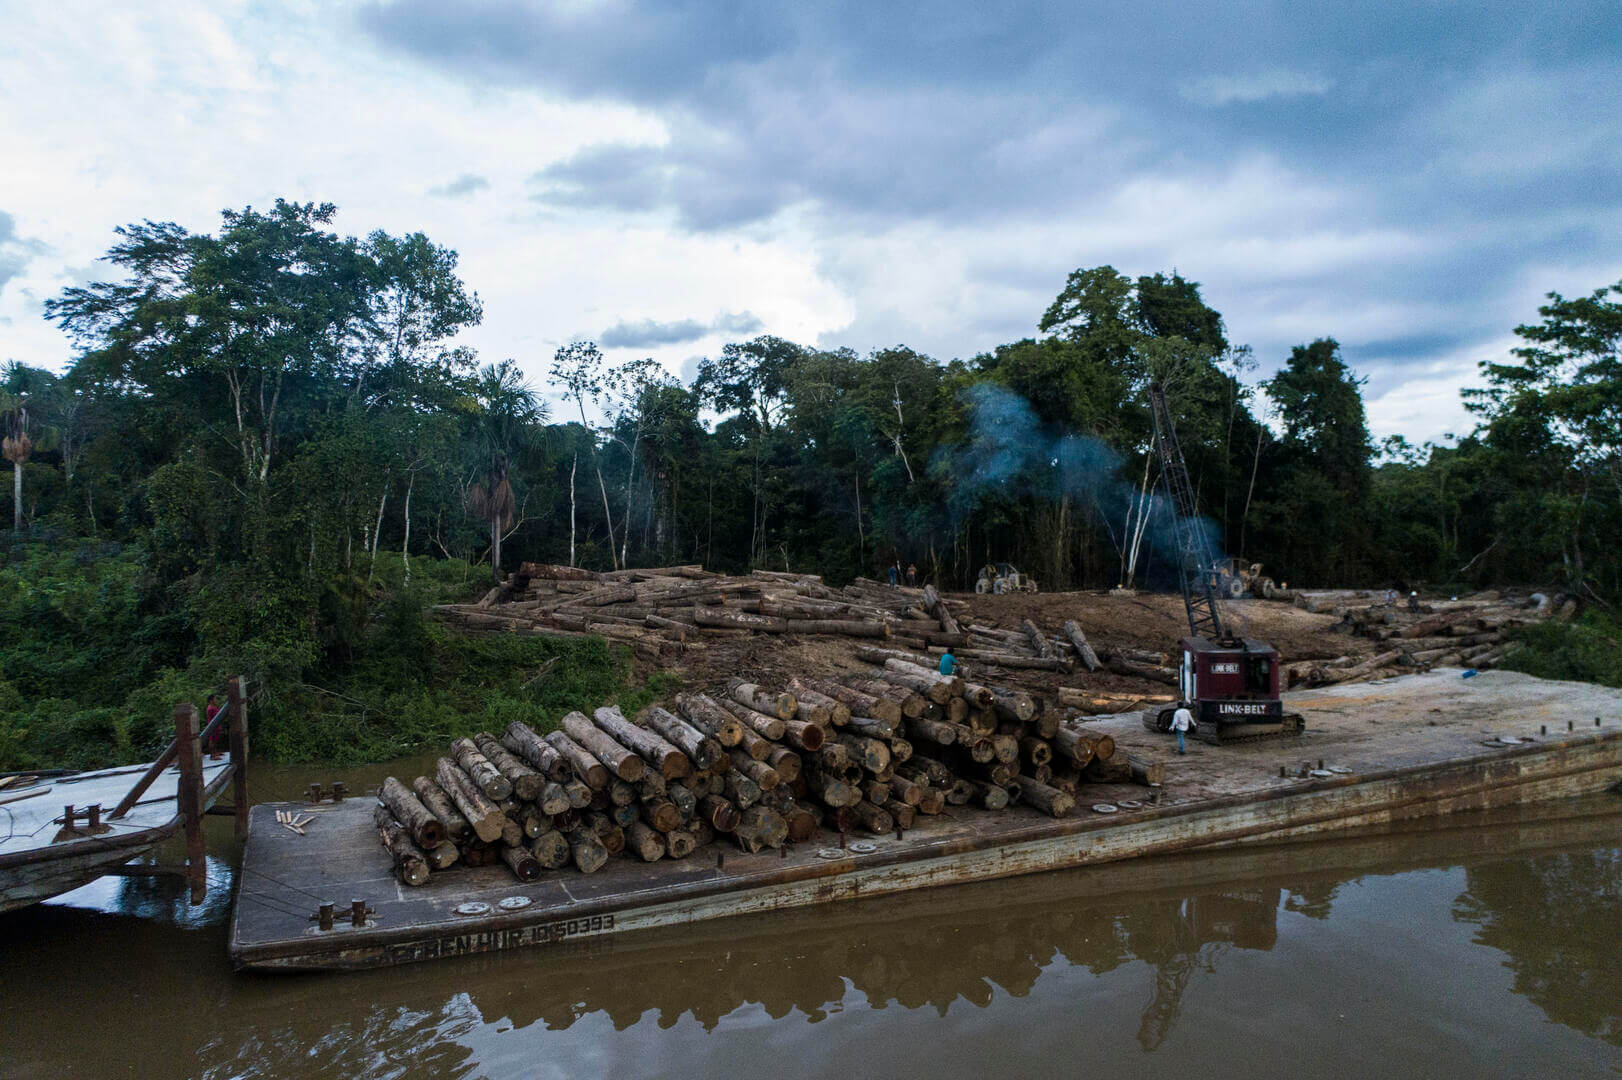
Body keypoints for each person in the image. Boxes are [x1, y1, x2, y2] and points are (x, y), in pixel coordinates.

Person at [204, 693, 225, 760]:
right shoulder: (210, 708)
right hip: (212, 727)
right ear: (211, 700)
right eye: (214, 699)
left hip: (216, 726)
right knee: (212, 741)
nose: (216, 700)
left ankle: (215, 752)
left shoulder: (214, 707)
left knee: (215, 740)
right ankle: (212, 755)